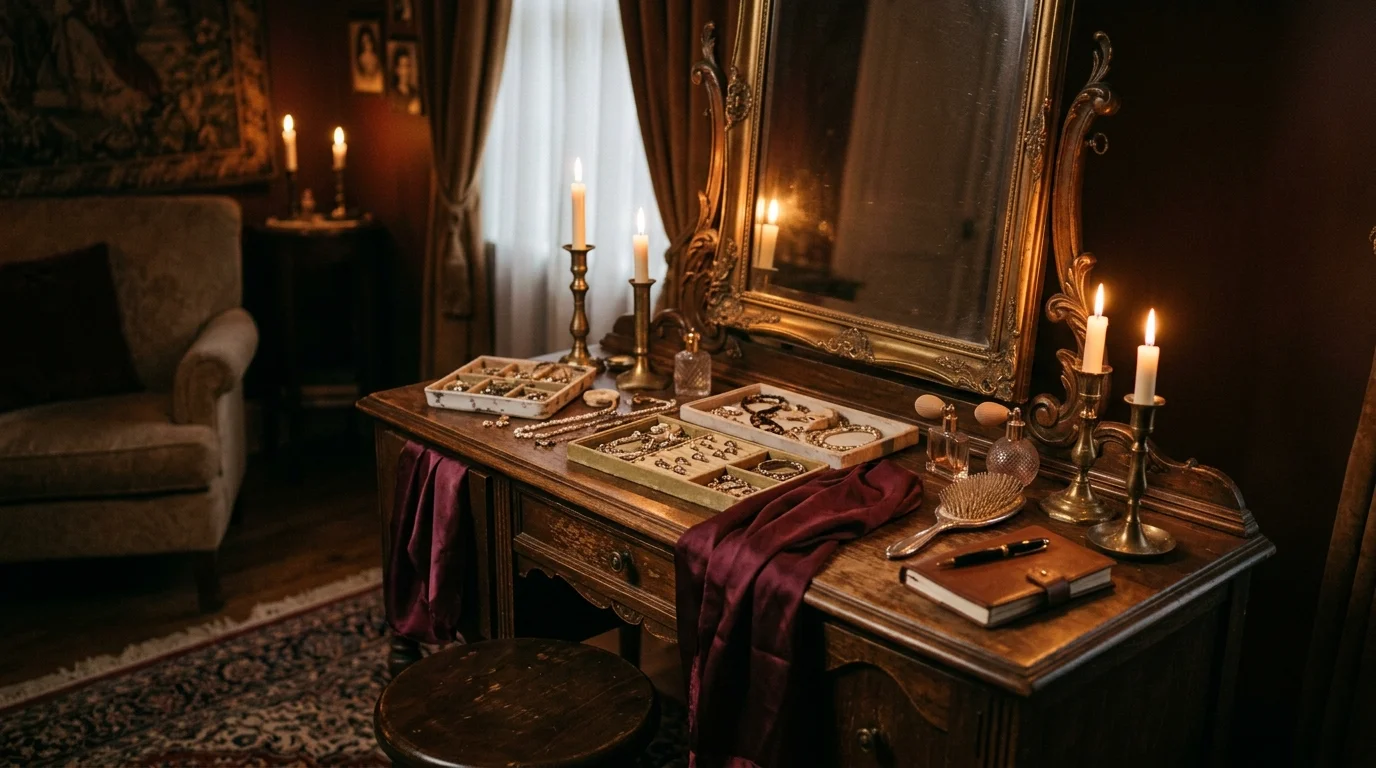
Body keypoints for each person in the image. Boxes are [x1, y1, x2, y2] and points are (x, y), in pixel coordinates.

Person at [353, 25, 382, 92]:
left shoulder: (375, 57)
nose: (367, 44)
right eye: (364, 42)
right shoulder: (362, 58)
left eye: (368, 41)